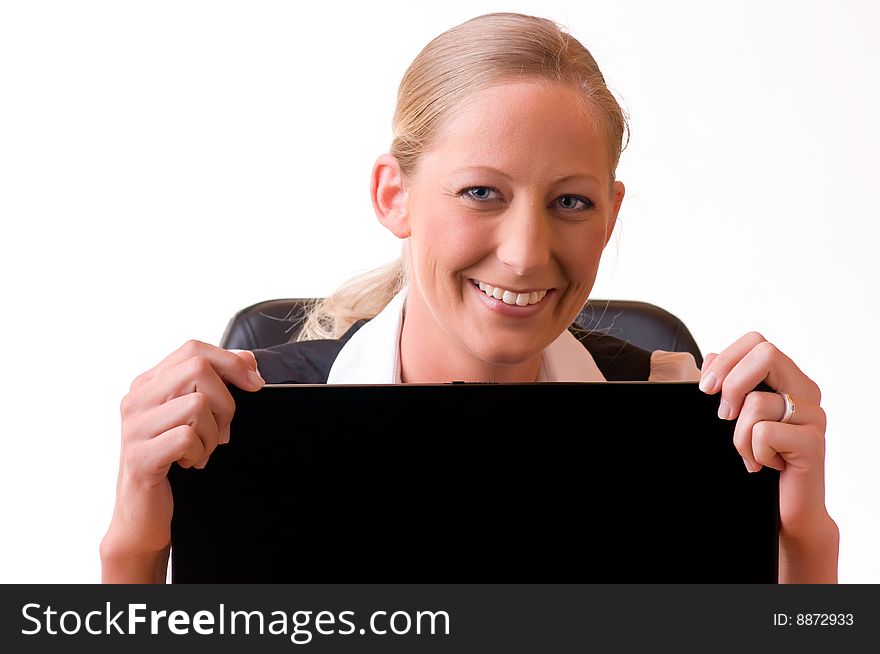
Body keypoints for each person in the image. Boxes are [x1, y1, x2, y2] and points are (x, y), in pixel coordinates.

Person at [100, 12, 839, 583]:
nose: (524, 253)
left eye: (571, 203)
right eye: (481, 192)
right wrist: (136, 536)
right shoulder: (247, 423)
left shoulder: (685, 423)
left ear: (611, 215)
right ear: (395, 196)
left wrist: (804, 535)